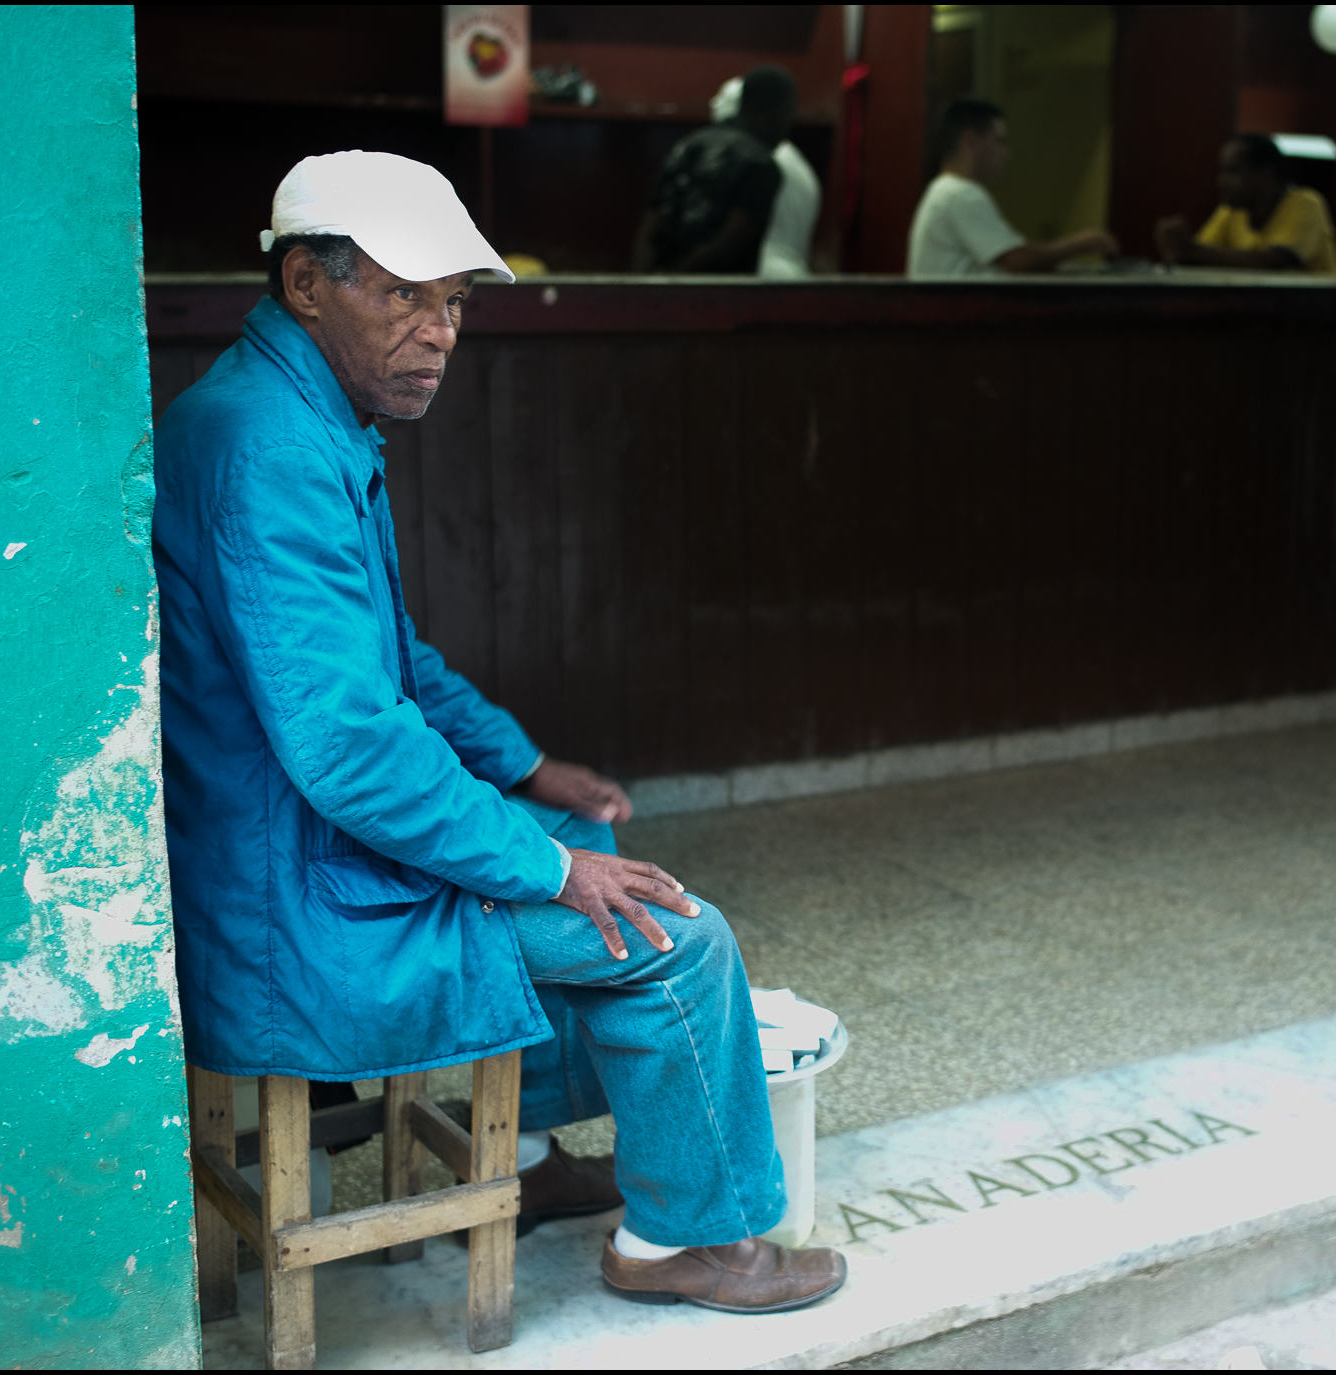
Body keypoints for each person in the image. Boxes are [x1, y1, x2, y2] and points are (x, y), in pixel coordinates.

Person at [154, 150, 846, 1313]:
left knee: (587, 848)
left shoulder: (285, 411)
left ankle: (514, 1155)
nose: (439, 334)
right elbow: (350, 746)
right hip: (296, 910)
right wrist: (551, 861)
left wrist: (527, 768)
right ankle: (685, 1241)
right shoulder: (271, 449)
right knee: (679, 937)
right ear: (305, 284)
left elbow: (397, 663)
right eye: (404, 296)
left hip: (298, 858)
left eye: (455, 303)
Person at [906, 96, 1119, 276]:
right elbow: (1017, 260)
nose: (1006, 154)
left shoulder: (944, 190)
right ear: (969, 140)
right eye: (999, 141)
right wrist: (1083, 244)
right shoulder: (959, 193)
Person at [632, 66, 795, 273]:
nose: (788, 127)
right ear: (775, 112)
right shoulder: (761, 164)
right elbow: (732, 241)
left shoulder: (687, 146)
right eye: (789, 115)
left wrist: (646, 282)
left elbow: (651, 222)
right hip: (719, 295)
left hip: (659, 285)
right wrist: (683, 278)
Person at [1155, 134, 1336, 274]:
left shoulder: (1307, 203)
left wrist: (1191, 250)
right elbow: (1200, 256)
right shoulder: (1232, 210)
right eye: (1222, 171)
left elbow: (1276, 262)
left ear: (1266, 173)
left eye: (1233, 171)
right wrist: (1179, 250)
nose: (1221, 181)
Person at [711, 75, 821, 278]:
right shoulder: (793, 158)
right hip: (793, 275)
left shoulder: (754, 160)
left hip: (760, 279)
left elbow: (734, 236)